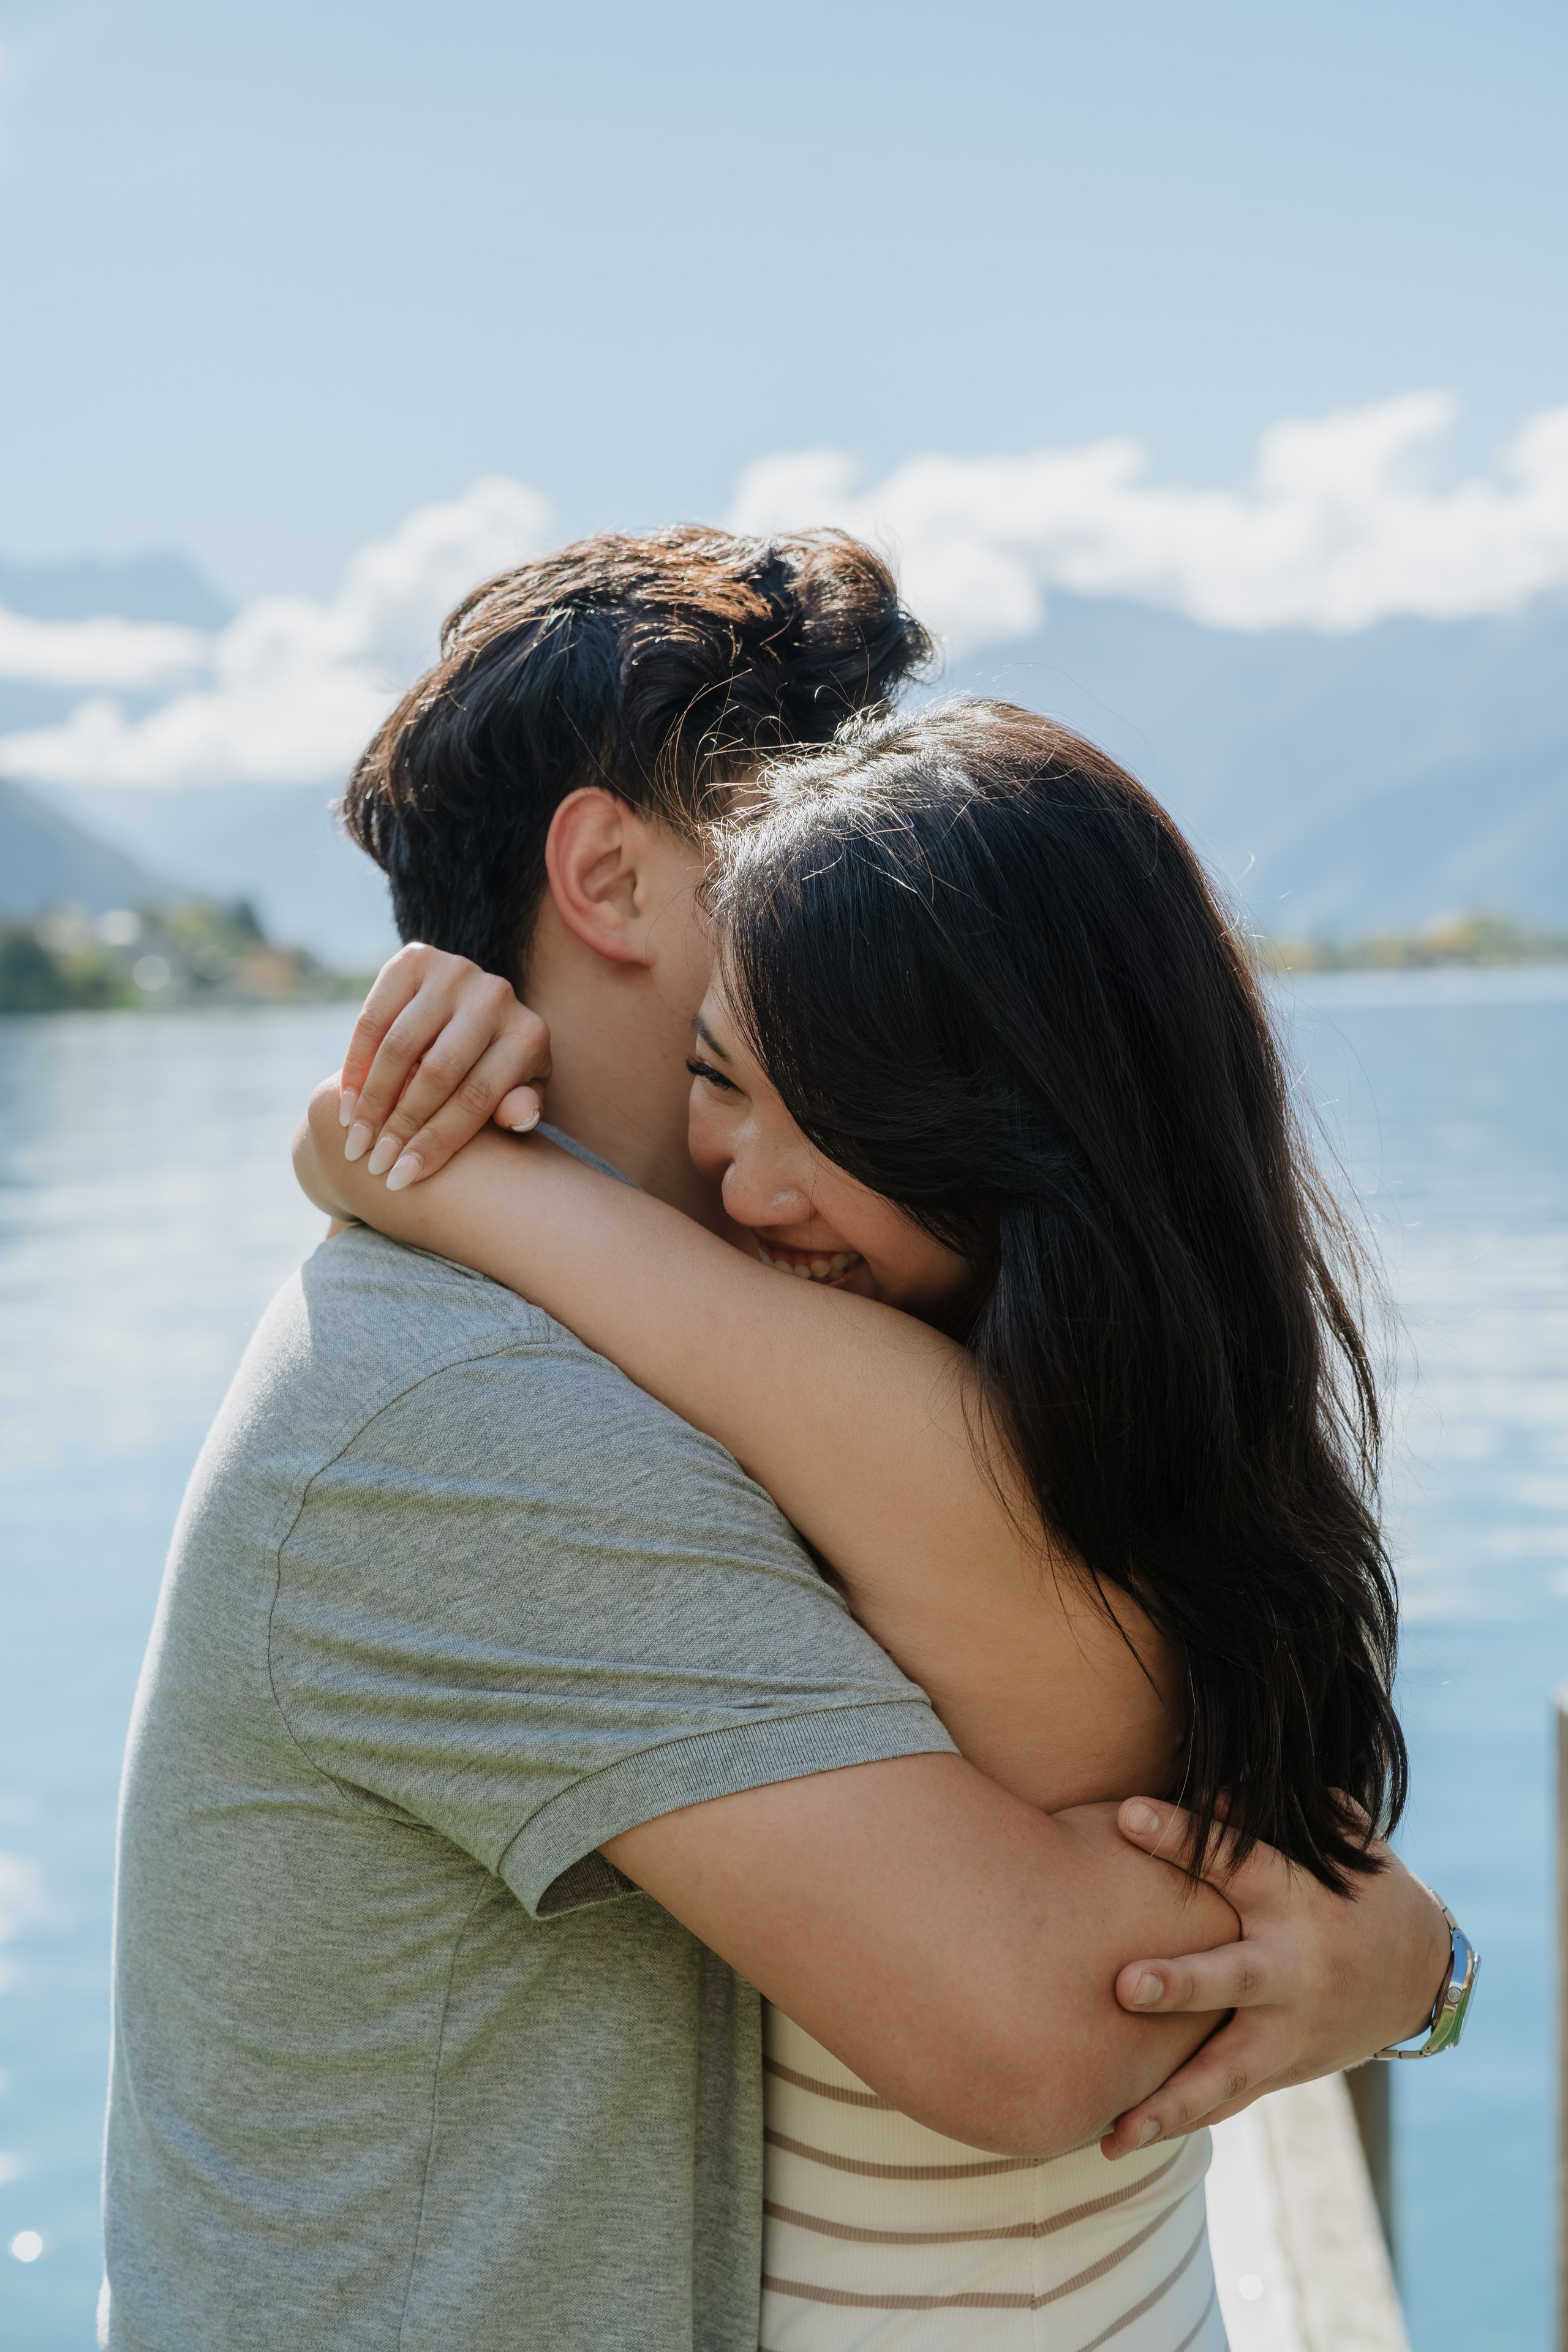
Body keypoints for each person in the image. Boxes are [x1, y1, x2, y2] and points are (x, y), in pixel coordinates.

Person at [105, 529, 1448, 2352]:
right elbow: (1050, 2019)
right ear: (609, 877)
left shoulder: (800, 1327)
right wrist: (1390, 1964)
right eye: (804, 829)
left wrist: (1409, 1959)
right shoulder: (472, 1405)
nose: (891, 889)